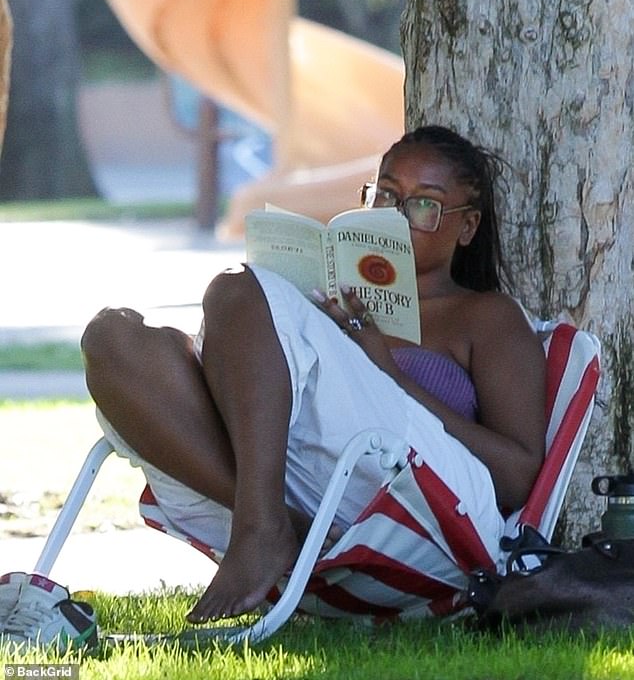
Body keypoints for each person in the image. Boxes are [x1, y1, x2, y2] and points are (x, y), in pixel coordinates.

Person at [81, 125, 546, 623]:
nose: (395, 215)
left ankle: (262, 528)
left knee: (238, 288)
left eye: (423, 205)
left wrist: (385, 371)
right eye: (386, 194)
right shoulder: (337, 304)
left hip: (425, 508)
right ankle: (280, 525)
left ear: (467, 226)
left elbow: (517, 478)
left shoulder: (487, 317)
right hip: (308, 478)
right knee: (113, 339)